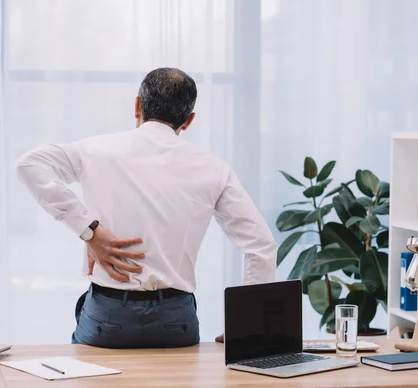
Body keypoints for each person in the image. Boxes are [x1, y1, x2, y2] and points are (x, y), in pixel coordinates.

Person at [16, 67, 277, 349]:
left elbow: (29, 165)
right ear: (188, 121)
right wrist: (247, 321)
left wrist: (89, 230)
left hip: (109, 315)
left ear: (138, 105)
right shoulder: (214, 168)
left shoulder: (97, 150)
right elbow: (260, 245)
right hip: (175, 320)